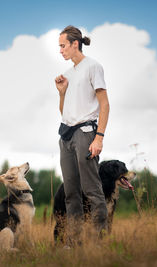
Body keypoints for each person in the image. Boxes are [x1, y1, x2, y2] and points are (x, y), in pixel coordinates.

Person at [55, 25, 110, 246]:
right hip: (66, 136)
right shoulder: (67, 75)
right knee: (71, 194)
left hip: (86, 133)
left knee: (92, 191)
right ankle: (73, 244)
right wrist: (62, 93)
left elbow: (104, 105)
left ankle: (99, 243)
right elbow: (65, 112)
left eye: (62, 46)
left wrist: (99, 137)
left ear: (75, 44)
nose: (60, 51)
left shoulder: (93, 67)